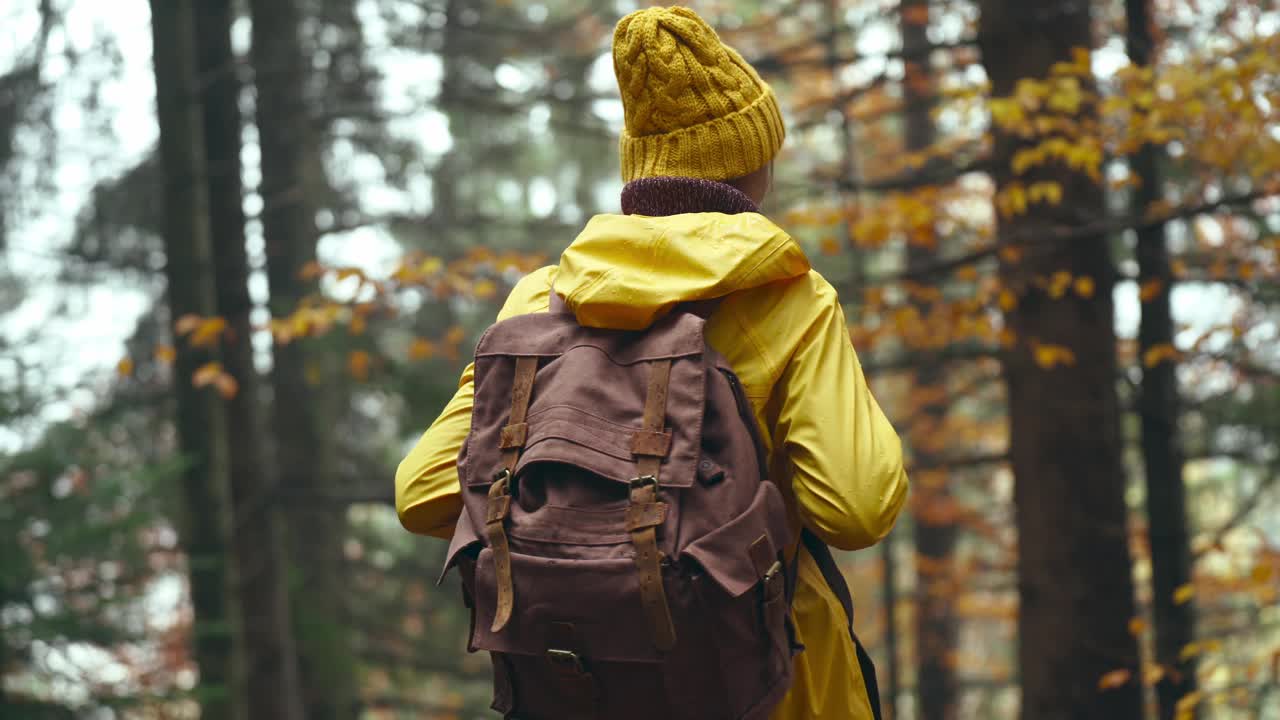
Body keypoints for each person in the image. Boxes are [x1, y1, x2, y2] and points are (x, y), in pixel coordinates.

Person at [396, 6, 909, 718]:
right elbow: (857, 508)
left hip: (584, 685)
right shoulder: (789, 299)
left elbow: (422, 493)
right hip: (770, 684)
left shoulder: (538, 303)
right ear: (750, 167)